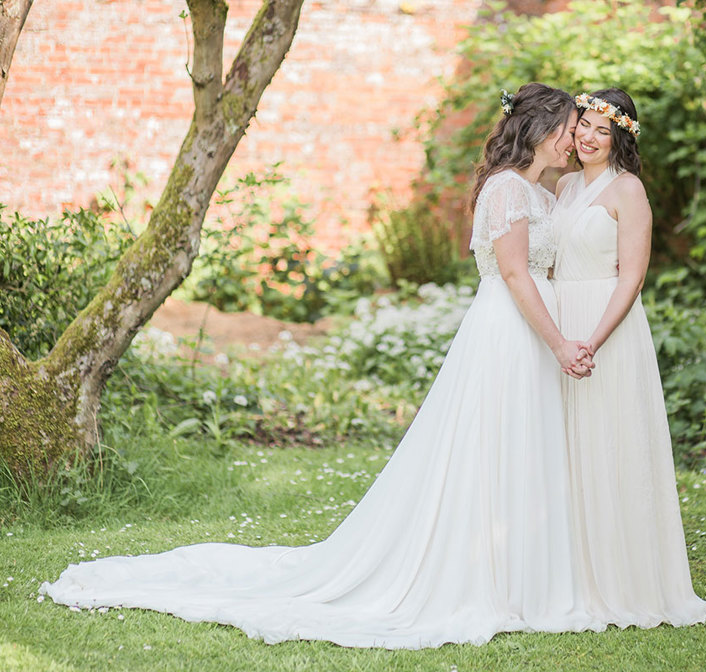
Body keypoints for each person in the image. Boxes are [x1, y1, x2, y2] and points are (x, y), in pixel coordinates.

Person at [41, 83, 603, 649]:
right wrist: (558, 343)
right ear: (537, 130)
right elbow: (514, 275)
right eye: (567, 128)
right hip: (510, 332)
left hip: (537, 331)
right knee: (492, 446)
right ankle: (484, 575)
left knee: (525, 444)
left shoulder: (548, 195)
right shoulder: (507, 190)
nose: (574, 139)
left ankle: (526, 571)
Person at [552, 88, 706, 627]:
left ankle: (624, 579)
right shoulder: (564, 184)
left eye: (602, 129)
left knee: (610, 443)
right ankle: (570, 574)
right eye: (583, 126)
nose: (588, 137)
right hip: (562, 324)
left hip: (608, 328)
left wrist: (593, 339)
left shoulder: (629, 190)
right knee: (568, 447)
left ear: (621, 134)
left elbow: (633, 276)